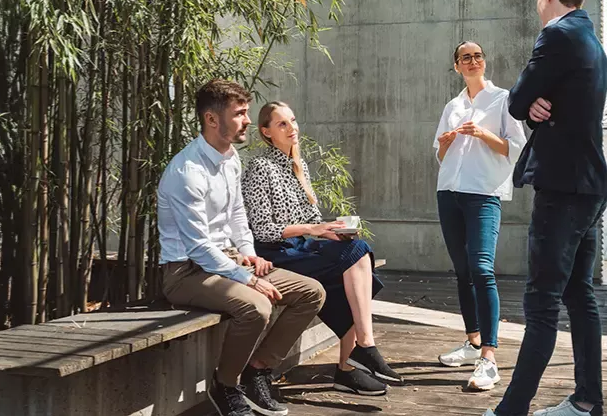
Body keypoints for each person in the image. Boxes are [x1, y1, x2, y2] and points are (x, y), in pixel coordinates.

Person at [485, 0, 607, 416]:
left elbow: (518, 100)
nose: (538, 5)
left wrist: (532, 102)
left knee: (541, 301)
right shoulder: (592, 41)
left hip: (562, 187)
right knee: (579, 295)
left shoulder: (557, 34)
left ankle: (512, 409)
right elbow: (539, 103)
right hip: (590, 186)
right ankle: (586, 401)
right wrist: (539, 102)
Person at [158, 79, 327, 416]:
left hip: (227, 261)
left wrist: (249, 253)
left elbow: (237, 213)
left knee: (312, 292)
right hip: (187, 272)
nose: (248, 120)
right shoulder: (186, 171)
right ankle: (226, 384)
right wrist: (248, 279)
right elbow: (198, 246)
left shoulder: (230, 157)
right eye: (239, 114)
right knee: (257, 307)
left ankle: (257, 369)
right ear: (211, 119)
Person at [241, 101, 403, 396]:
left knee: (356, 250)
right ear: (266, 132)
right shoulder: (259, 167)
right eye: (282, 124)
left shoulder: (297, 165)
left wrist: (332, 228)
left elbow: (312, 220)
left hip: (302, 246)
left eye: (293, 120)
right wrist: (313, 230)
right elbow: (262, 229)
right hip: (274, 252)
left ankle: (351, 365)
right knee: (354, 260)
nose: (293, 128)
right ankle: (360, 353)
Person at [434, 41, 526, 391]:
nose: (472, 61)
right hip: (449, 193)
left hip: (483, 194)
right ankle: (473, 343)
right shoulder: (453, 105)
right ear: (456, 66)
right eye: (465, 58)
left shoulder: (503, 99)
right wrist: (444, 142)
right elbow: (441, 157)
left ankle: (489, 357)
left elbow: (515, 148)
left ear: (484, 62)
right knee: (462, 271)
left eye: (477, 56)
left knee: (482, 269)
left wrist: (484, 133)